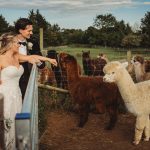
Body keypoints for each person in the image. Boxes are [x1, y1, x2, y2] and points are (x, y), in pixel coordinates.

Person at [0, 33, 57, 149]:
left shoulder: (17, 56)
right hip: (4, 95)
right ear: (10, 44)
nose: (19, 44)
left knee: (15, 121)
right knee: (5, 122)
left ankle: (14, 146)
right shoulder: (0, 58)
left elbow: (33, 57)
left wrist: (49, 59)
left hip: (16, 94)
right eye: (17, 43)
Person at [15, 18, 45, 99]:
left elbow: (42, 65)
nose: (31, 33)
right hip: (12, 79)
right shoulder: (9, 42)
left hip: (27, 82)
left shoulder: (34, 43)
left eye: (32, 30)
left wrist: (37, 61)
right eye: (29, 31)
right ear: (21, 30)